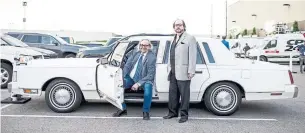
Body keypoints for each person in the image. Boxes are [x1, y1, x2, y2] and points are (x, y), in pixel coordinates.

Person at [112, 39, 157, 120]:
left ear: (149, 47)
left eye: (146, 45)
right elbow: (127, 66)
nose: (143, 47)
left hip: (145, 79)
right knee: (119, 86)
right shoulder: (135, 53)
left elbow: (150, 75)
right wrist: (121, 77)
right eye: (142, 45)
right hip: (132, 78)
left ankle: (146, 111)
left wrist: (138, 84)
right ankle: (122, 108)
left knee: (148, 90)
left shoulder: (151, 57)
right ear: (139, 46)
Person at [163, 19, 197, 123]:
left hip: (184, 71)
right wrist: (169, 68)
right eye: (176, 25)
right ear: (174, 27)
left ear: (184, 26)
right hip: (173, 72)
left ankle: (184, 115)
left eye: (180, 25)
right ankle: (172, 113)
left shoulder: (190, 38)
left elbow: (192, 55)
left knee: (184, 95)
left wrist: (191, 71)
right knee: (173, 94)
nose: (178, 27)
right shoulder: (173, 38)